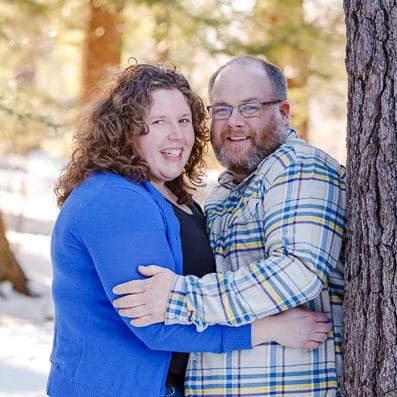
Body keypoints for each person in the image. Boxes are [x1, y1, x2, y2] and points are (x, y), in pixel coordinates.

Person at [47, 62, 331, 397]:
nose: (177, 134)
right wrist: (267, 329)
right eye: (158, 122)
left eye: (184, 121)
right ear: (125, 130)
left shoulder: (172, 197)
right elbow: (155, 322)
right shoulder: (115, 198)